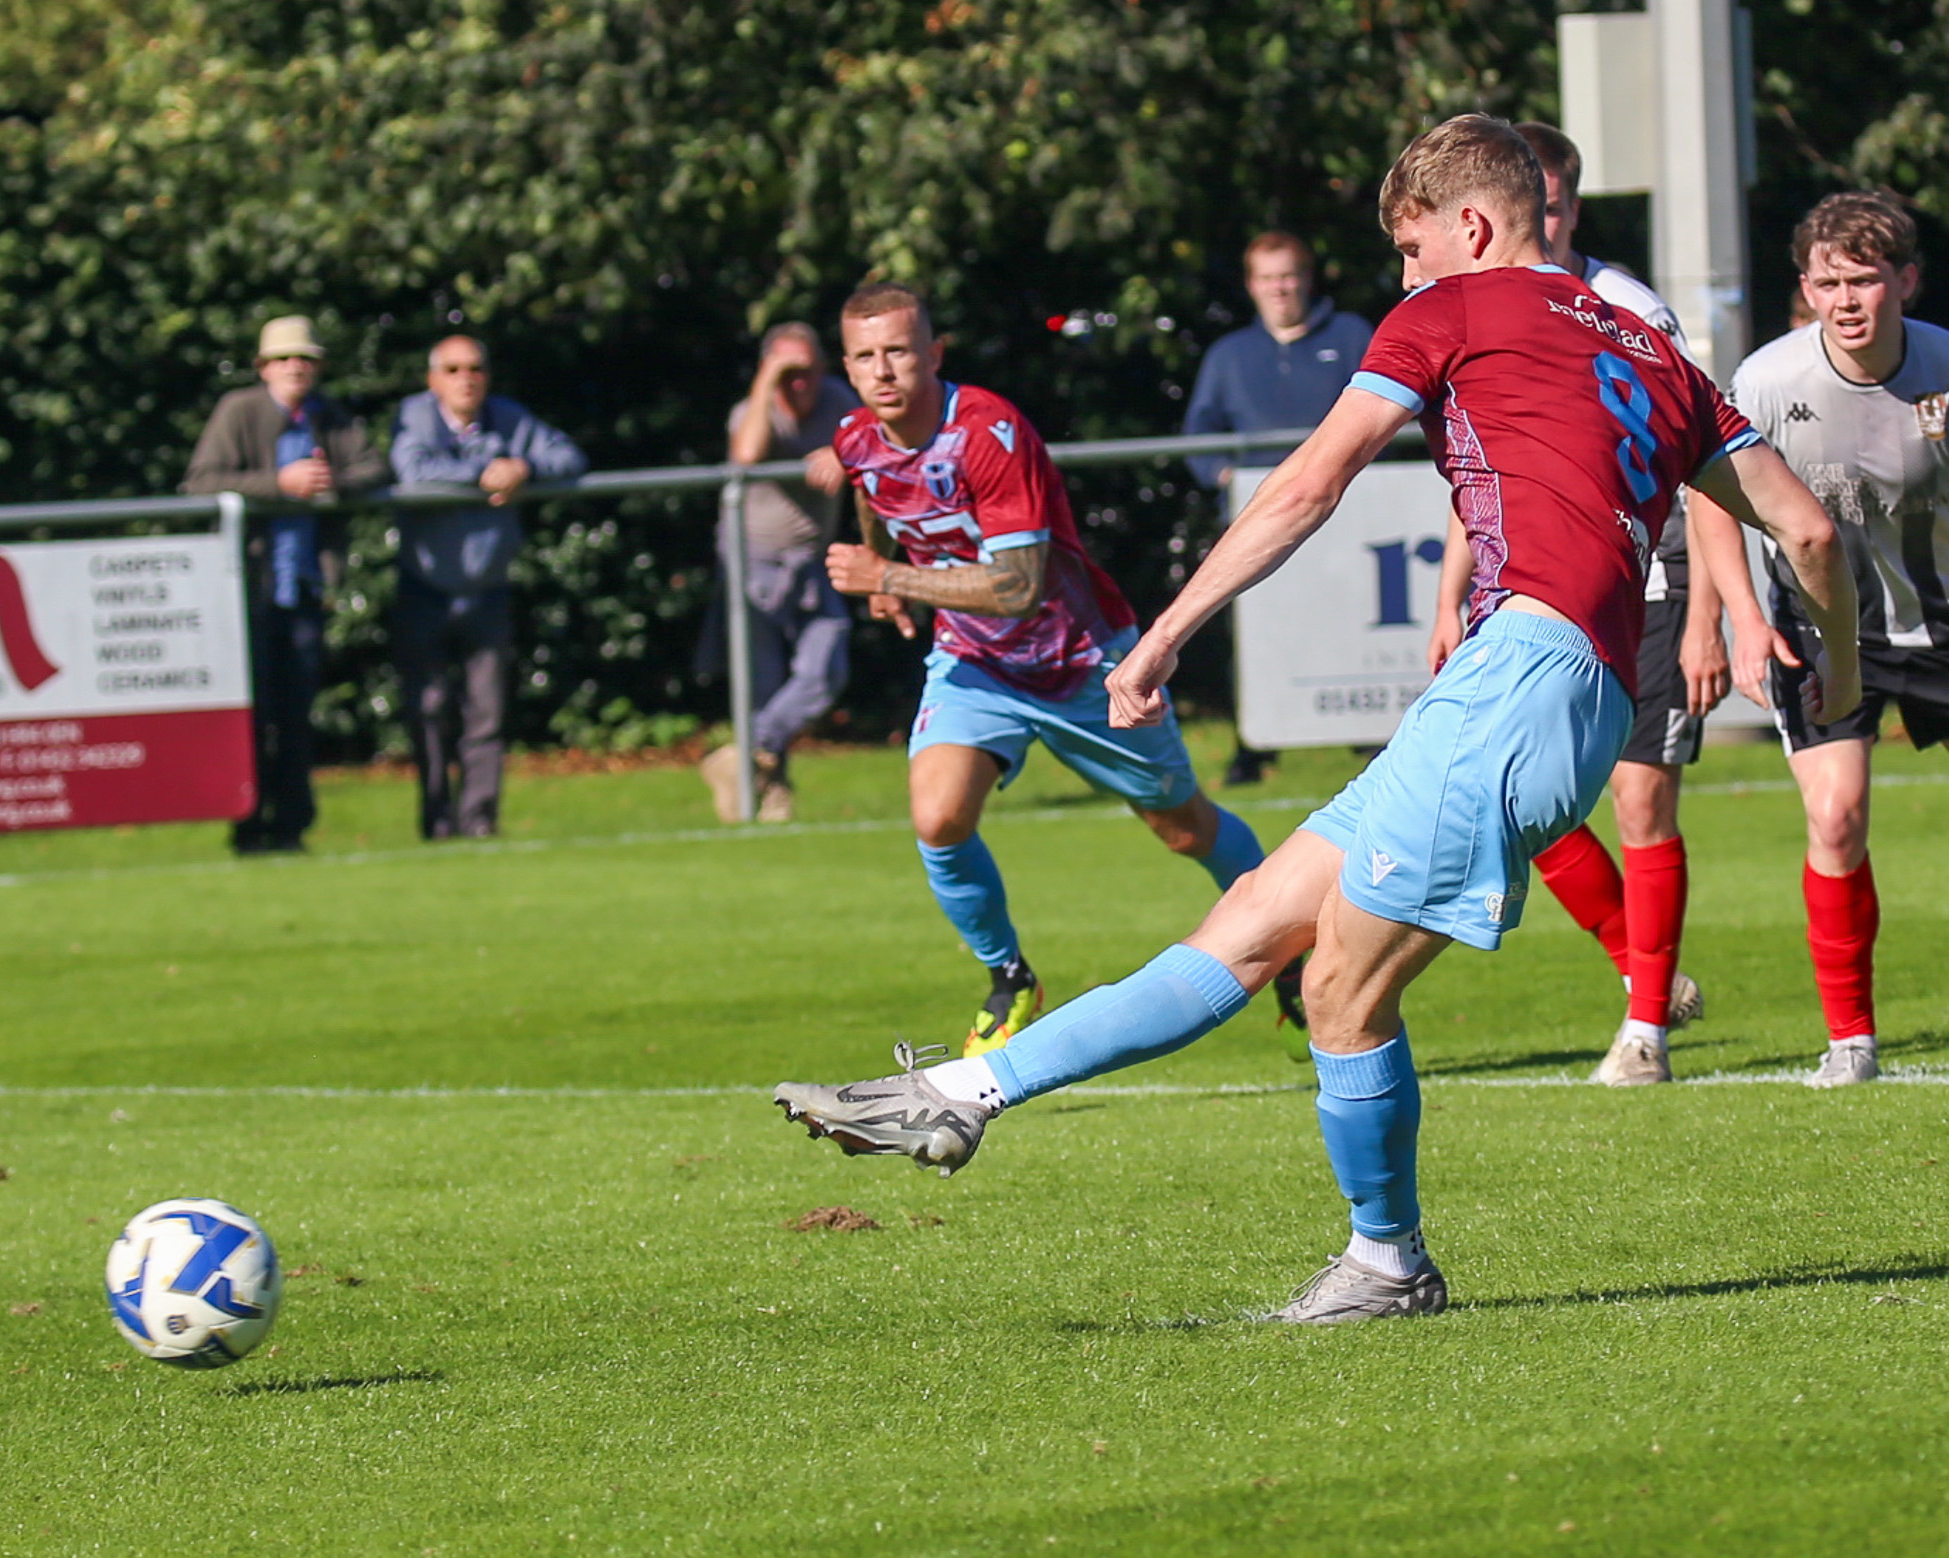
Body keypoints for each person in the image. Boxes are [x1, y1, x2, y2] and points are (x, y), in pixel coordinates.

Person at [777, 115, 1858, 1324]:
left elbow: (1305, 484)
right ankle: (970, 1090)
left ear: (1473, 226)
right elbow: (1807, 532)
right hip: (1557, 689)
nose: (1399, 278)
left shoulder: (1452, 309)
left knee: (1341, 990)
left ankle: (1386, 1263)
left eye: (1408, 246)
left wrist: (1165, 632)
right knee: (1250, 921)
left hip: (1517, 679)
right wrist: (1843, 674)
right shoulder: (1660, 356)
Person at [818, 282, 1274, 1056]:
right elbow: (875, 499)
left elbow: (1018, 585)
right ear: (849, 366)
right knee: (937, 818)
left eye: (899, 350)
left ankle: (1287, 946)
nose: (883, 370)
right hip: (976, 663)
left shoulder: (989, 433)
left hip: (1084, 660)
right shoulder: (855, 438)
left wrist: (887, 579)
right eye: (865, 356)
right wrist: (881, 565)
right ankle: (1009, 978)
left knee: (1182, 827)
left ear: (933, 353)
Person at [1426, 122, 1726, 1086]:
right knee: (1526, 808)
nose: (1539, 221)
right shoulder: (1486, 309)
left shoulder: (1626, 307)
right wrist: (1448, 598)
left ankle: (1645, 1030)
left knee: (1641, 799)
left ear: (1567, 206)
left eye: (1553, 205)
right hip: (1525, 597)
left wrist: (1715, 612)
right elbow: (1479, 469)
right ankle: (1643, 971)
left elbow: (1700, 461)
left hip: (1644, 581)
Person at [1694, 192, 1949, 1088]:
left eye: (1867, 280)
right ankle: (1852, 1039)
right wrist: (1740, 620)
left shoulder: (1945, 370)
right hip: (1821, 626)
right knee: (1834, 816)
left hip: (1943, 619)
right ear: (1805, 287)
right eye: (1829, 282)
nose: (1847, 299)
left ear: (1906, 282)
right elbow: (1708, 496)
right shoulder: (1767, 381)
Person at [184, 315, 387, 854]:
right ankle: (249, 825)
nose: (295, 367)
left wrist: (329, 483)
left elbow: (372, 468)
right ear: (263, 367)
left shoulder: (330, 417)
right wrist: (278, 485)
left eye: (305, 358)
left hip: (302, 587)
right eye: (283, 358)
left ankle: (293, 826)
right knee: (253, 713)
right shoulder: (239, 411)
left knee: (297, 712)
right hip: (248, 588)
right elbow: (201, 483)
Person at [1184, 232, 1373, 786]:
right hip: (1258, 521)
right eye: (1267, 278)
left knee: (1356, 625)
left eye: (1288, 275)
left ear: (1307, 278)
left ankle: (1373, 734)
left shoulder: (1352, 336)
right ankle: (1253, 746)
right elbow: (1199, 431)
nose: (1279, 289)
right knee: (1252, 634)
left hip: (1348, 518)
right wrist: (1223, 475)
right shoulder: (1229, 355)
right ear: (1251, 286)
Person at [389, 335, 586, 839]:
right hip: (425, 588)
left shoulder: (509, 417)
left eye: (474, 368)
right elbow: (412, 471)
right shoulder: (415, 416)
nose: (465, 379)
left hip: (489, 589)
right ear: (433, 380)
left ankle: (479, 823)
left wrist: (524, 467)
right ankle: (436, 822)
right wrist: (483, 473)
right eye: (452, 370)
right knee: (428, 710)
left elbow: (568, 456)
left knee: (487, 714)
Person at [698, 323, 858, 823]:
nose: (799, 383)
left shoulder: (839, 401)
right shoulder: (754, 408)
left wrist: (843, 452)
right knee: (762, 686)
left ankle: (740, 757)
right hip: (753, 563)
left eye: (806, 371)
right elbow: (745, 454)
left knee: (825, 668)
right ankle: (770, 796)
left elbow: (879, 441)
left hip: (813, 560)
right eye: (787, 372)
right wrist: (769, 379)